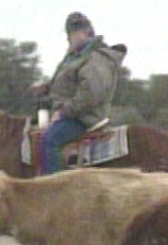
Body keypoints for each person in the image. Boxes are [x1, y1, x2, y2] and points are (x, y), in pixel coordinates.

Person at [34, 12, 127, 174]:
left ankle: (53, 187)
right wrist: (48, 86)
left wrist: (63, 112)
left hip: (83, 117)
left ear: (85, 33)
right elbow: (69, 81)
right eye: (68, 34)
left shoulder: (96, 58)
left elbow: (91, 95)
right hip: (70, 112)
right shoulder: (76, 56)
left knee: (49, 140)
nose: (68, 38)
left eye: (71, 34)